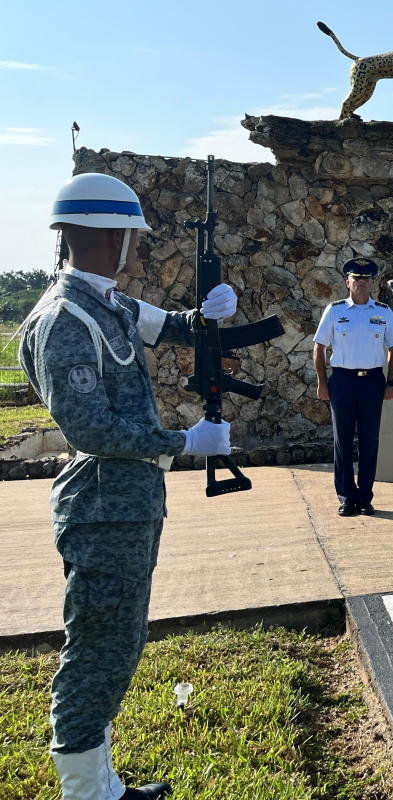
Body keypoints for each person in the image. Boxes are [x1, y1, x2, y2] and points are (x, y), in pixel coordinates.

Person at [20, 172, 238, 799]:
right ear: (107, 238)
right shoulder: (66, 319)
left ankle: (103, 787)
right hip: (103, 507)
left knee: (117, 645)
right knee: (97, 653)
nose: (139, 250)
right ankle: (84, 795)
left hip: (126, 504)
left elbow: (162, 324)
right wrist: (183, 442)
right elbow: (89, 427)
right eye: (132, 238)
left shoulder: (102, 302)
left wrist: (204, 317)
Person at [313, 257, 393, 516]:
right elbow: (319, 347)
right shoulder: (335, 310)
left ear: (372, 282)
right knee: (342, 441)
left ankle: (364, 497)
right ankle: (346, 496)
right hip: (342, 381)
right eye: (356, 278)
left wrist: (390, 381)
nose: (361, 282)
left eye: (366, 279)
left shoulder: (383, 311)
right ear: (348, 282)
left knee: (369, 441)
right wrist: (322, 382)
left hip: (373, 382)